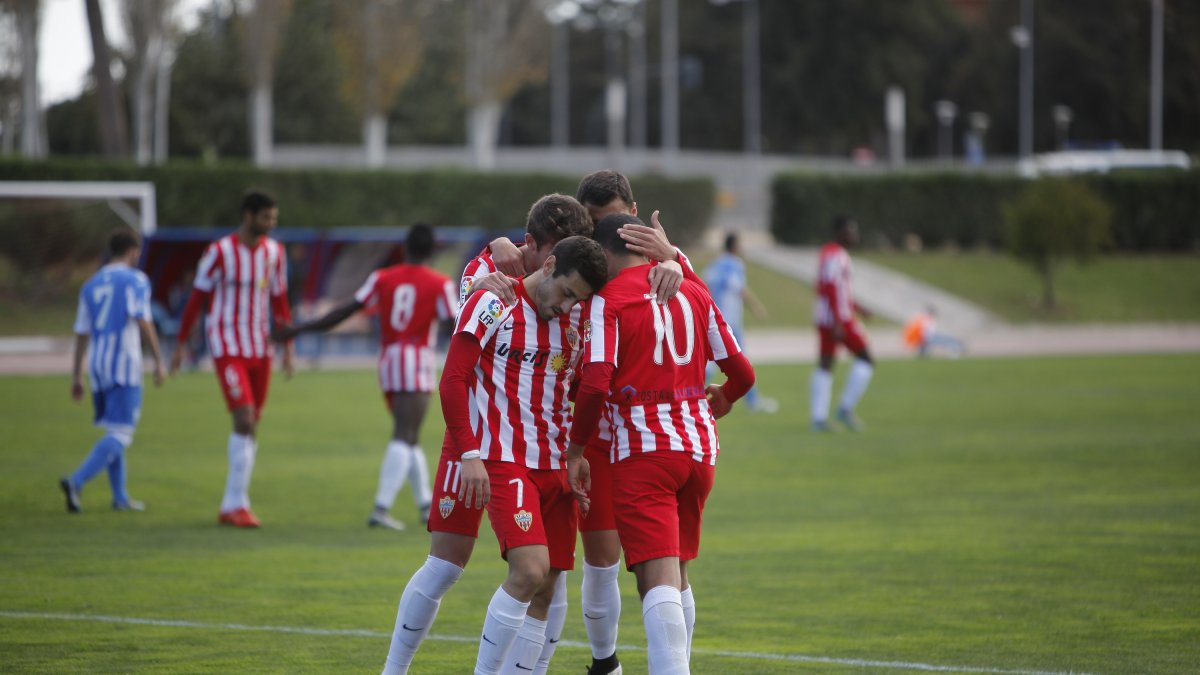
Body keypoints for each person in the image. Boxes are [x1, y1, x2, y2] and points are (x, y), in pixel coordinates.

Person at [477, 169, 694, 675]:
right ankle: (605, 663)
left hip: (647, 432)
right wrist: (493, 251)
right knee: (590, 562)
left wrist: (676, 263)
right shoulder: (575, 267)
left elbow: (697, 305)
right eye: (593, 225)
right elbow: (509, 270)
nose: (605, 235)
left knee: (670, 568)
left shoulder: (662, 260)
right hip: (588, 431)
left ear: (633, 213)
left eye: (613, 221)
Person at [381, 199, 605, 675]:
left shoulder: (579, 313)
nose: (567, 304)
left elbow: (578, 381)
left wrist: (576, 453)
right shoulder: (491, 287)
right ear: (542, 254)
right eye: (565, 291)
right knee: (451, 565)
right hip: (485, 447)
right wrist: (469, 452)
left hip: (549, 458)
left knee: (548, 581)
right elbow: (453, 375)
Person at [564, 213, 755, 674]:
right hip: (699, 449)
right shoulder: (693, 291)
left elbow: (595, 384)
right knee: (678, 572)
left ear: (606, 251)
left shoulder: (607, 301)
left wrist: (576, 450)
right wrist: (725, 397)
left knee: (658, 578)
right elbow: (743, 373)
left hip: (645, 449)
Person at [273, 223, 458, 531]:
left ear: (405, 247)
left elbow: (345, 311)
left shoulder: (382, 277)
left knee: (408, 434)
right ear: (431, 251)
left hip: (388, 360)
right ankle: (381, 508)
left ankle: (426, 504)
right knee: (405, 434)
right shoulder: (440, 283)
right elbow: (455, 323)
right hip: (416, 360)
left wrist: (300, 328)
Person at [170, 190, 295, 528]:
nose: (271, 223)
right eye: (266, 217)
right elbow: (197, 298)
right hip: (227, 345)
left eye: (274, 217)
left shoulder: (275, 252)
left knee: (252, 423)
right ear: (248, 215)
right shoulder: (219, 252)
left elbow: (280, 300)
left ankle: (233, 503)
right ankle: (235, 504)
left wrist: (287, 347)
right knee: (244, 420)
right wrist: (180, 344)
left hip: (261, 347)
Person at [61, 230, 166, 513]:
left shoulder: (91, 284)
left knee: (114, 428)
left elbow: (82, 332)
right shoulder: (135, 279)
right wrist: (159, 360)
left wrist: (76, 375)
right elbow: (143, 319)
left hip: (98, 364)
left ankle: (120, 497)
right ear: (133, 251)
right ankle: (76, 481)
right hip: (124, 364)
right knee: (122, 434)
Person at [810, 215, 874, 432]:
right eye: (851, 231)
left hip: (830, 317)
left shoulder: (832, 253)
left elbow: (839, 290)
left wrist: (859, 308)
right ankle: (845, 409)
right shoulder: (835, 255)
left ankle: (819, 419)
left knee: (826, 364)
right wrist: (838, 320)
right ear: (840, 232)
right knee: (865, 358)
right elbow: (829, 286)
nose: (854, 235)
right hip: (837, 319)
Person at [703, 232, 777, 414]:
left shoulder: (716, 263)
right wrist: (756, 307)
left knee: (711, 361)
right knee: (741, 363)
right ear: (734, 246)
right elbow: (740, 289)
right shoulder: (735, 264)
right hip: (731, 322)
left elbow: (706, 283)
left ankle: (693, 393)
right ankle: (753, 401)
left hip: (715, 319)